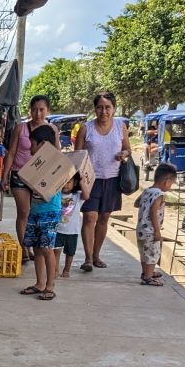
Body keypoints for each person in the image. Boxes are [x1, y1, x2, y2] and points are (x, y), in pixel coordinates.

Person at [74, 91, 132, 272]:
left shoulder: (120, 127)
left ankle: (97, 254)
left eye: (107, 107)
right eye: (100, 107)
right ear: (95, 109)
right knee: (90, 217)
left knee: (104, 218)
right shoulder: (86, 128)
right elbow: (78, 155)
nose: (104, 111)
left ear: (114, 109)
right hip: (90, 180)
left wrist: (124, 154)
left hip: (113, 179)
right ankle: (88, 258)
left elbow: (127, 149)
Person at [4, 96, 57, 262]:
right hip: (19, 175)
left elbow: (56, 155)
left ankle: (33, 247)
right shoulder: (21, 128)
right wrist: (4, 176)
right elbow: (11, 152)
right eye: (34, 109)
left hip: (40, 180)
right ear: (30, 110)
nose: (38, 113)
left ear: (47, 111)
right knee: (24, 211)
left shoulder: (52, 130)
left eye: (42, 110)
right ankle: (24, 249)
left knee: (35, 214)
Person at [17, 125, 63, 300]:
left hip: (49, 211)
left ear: (42, 144)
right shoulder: (38, 164)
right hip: (36, 209)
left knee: (46, 248)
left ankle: (50, 285)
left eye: (32, 145)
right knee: (37, 247)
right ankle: (40, 283)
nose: (30, 149)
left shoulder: (55, 163)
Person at [136, 163, 177, 286]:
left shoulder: (147, 191)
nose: (171, 186)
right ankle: (148, 277)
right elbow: (153, 212)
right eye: (171, 183)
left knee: (144, 253)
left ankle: (146, 273)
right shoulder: (159, 195)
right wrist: (157, 231)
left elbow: (136, 203)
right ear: (166, 181)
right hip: (151, 230)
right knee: (153, 253)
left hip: (141, 229)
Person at [54, 172, 85, 278]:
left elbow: (87, 195)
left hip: (72, 231)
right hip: (58, 230)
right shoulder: (56, 195)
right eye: (63, 182)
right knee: (56, 251)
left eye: (69, 182)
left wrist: (82, 182)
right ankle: (55, 269)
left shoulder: (77, 196)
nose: (66, 185)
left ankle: (67, 269)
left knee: (70, 252)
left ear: (75, 183)